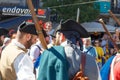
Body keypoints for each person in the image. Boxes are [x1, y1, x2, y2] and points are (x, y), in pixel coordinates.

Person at [37, 19, 101, 80]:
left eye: (56, 37)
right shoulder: (92, 60)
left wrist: (46, 56)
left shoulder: (49, 54)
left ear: (61, 36)